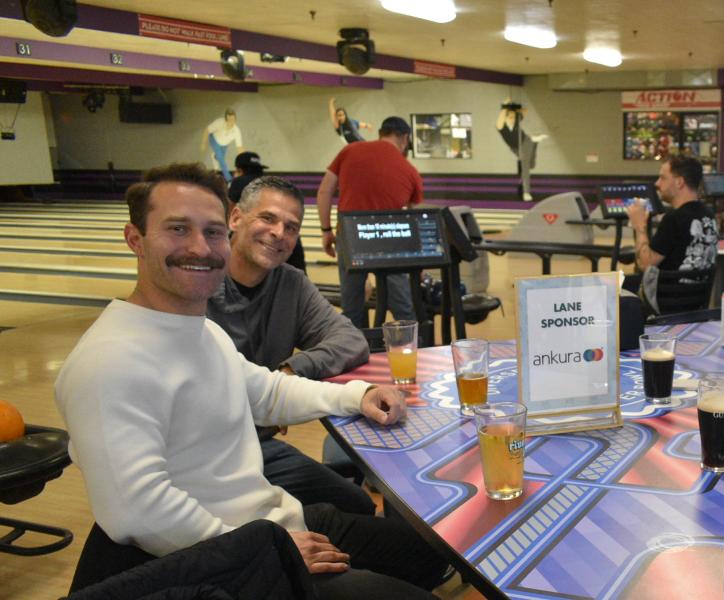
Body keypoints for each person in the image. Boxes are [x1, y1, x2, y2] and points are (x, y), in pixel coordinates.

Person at [56, 162, 449, 598]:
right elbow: (139, 511)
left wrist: (360, 395)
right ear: (136, 239)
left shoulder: (203, 331)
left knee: (432, 551)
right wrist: (268, 551)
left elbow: (268, 390)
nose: (200, 248)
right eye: (178, 229)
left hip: (270, 523)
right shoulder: (108, 362)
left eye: (212, 232)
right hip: (222, 561)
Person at [208, 175, 373, 516]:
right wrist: (268, 402)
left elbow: (351, 341)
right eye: (267, 218)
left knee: (356, 505)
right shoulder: (200, 281)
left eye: (291, 227)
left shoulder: (290, 284)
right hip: (205, 458)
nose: (279, 233)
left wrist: (289, 372)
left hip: (259, 449)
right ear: (235, 218)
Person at [317, 116, 423, 328]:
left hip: (351, 234)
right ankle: (413, 349)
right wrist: (418, 262)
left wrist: (326, 230)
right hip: (390, 239)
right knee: (403, 307)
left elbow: (324, 191)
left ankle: (356, 353)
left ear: (381, 134)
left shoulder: (350, 150)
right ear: (404, 138)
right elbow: (415, 219)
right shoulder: (410, 170)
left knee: (352, 307)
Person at [625, 155, 718, 313]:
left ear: (679, 182)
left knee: (614, 287)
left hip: (668, 304)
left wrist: (640, 226)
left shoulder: (674, 218)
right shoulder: (709, 215)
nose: (657, 184)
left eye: (662, 178)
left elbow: (645, 264)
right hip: (696, 303)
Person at [228, 153, 305, 273]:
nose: (278, 233)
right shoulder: (270, 184)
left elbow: (229, 210)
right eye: (267, 218)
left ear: (239, 170)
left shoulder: (238, 182)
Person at [496, 100, 547, 202]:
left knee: (526, 167)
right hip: (515, 148)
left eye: (514, 118)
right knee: (530, 166)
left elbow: (525, 111)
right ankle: (535, 141)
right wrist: (505, 105)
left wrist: (515, 108)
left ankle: (526, 192)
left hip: (525, 142)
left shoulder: (516, 121)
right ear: (505, 118)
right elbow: (501, 116)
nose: (512, 120)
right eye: (510, 118)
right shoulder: (501, 126)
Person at [202, 108, 244, 183]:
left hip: (224, 144)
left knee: (218, 158)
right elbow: (207, 130)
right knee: (222, 161)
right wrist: (203, 143)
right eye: (229, 120)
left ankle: (214, 156)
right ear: (225, 119)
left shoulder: (236, 131)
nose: (231, 122)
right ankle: (229, 179)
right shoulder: (219, 122)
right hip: (214, 139)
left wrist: (244, 160)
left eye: (233, 120)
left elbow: (239, 147)